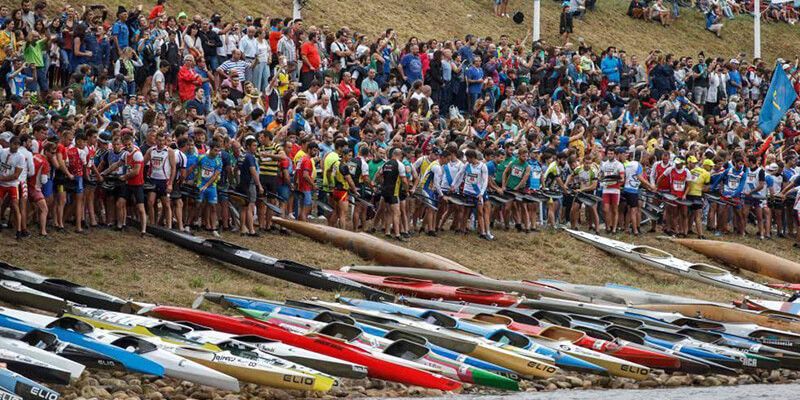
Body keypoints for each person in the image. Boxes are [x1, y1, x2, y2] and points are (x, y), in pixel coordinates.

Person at [377, 148, 408, 241]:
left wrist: (383, 183)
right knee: (397, 213)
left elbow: (378, 175)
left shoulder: (385, 164)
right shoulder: (400, 164)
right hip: (394, 192)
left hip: (385, 191)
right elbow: (404, 180)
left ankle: (387, 232)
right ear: (399, 155)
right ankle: (397, 234)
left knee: (389, 212)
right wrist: (406, 190)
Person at [600, 147, 625, 233]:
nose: (610, 155)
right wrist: (601, 179)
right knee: (606, 210)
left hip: (615, 189)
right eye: (608, 154)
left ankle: (614, 229)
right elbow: (601, 175)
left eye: (611, 154)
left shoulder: (619, 165)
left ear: (614, 154)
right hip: (606, 189)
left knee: (614, 210)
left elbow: (622, 178)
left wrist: (617, 180)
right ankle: (608, 227)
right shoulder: (604, 164)